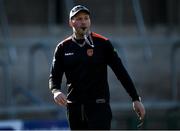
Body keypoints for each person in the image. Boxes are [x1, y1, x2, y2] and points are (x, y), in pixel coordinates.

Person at [49, 5, 145, 130]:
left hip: (99, 107)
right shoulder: (63, 47)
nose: (83, 21)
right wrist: (55, 91)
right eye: (78, 19)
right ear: (70, 22)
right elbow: (54, 76)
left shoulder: (103, 44)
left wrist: (135, 98)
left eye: (86, 18)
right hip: (75, 108)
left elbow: (121, 72)